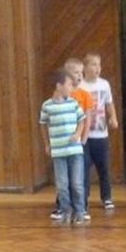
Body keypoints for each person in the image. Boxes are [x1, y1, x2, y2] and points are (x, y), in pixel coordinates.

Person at [49, 58, 94, 221]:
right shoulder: (55, 100)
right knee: (62, 180)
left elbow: (85, 118)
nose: (79, 76)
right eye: (76, 73)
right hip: (60, 146)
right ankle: (63, 207)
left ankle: (81, 208)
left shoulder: (83, 96)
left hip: (78, 144)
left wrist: (84, 136)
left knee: (78, 179)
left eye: (81, 73)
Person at [40, 69, 86, 225]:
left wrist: (78, 134)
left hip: (75, 150)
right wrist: (47, 144)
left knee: (77, 183)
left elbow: (82, 120)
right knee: (62, 185)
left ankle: (80, 211)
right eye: (69, 85)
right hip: (58, 152)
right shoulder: (47, 106)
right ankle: (66, 211)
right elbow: (43, 125)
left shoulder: (73, 103)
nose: (71, 88)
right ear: (59, 86)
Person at [79, 52, 118, 211]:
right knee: (84, 167)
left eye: (99, 65)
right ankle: (84, 198)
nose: (97, 68)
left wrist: (113, 117)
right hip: (85, 135)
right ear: (85, 67)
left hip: (101, 134)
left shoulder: (104, 85)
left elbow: (109, 103)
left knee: (104, 167)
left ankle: (107, 197)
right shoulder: (80, 86)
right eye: (93, 64)